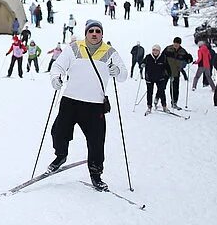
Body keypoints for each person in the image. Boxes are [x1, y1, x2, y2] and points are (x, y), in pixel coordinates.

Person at [45, 19, 128, 190]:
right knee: (58, 133)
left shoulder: (110, 52)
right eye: (91, 31)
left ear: (102, 33)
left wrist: (117, 71)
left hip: (94, 105)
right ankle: (61, 156)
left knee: (96, 142)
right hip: (70, 101)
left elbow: (123, 75)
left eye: (98, 31)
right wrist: (55, 78)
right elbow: (58, 65)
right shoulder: (74, 48)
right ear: (86, 33)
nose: (95, 34)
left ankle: (96, 174)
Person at [162, 37, 193, 109]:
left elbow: (188, 59)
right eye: (175, 43)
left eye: (178, 43)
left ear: (179, 44)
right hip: (166, 71)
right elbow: (162, 57)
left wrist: (189, 58)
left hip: (176, 72)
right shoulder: (168, 49)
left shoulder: (182, 51)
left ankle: (174, 103)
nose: (176, 44)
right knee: (162, 87)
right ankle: (158, 99)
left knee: (175, 88)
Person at [142, 44, 170, 114]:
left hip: (160, 78)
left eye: (157, 50)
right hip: (149, 78)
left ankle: (164, 106)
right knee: (149, 92)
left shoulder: (163, 57)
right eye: (154, 50)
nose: (155, 51)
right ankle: (149, 107)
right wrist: (142, 64)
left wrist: (170, 74)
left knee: (162, 92)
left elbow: (167, 67)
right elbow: (143, 62)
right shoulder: (148, 57)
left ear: (159, 51)